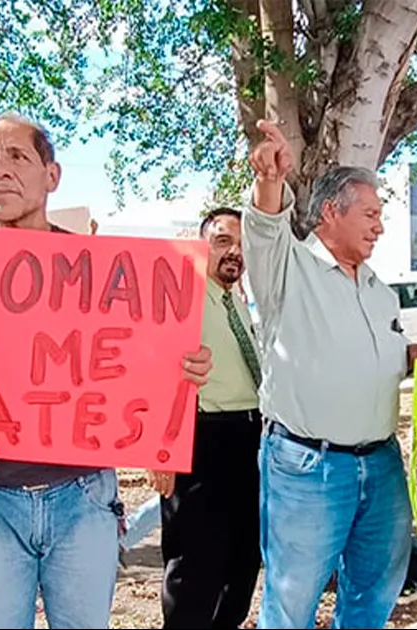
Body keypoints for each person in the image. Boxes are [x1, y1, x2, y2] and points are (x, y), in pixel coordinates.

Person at [0, 112, 213, 629]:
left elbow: (144, 367)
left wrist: (184, 373)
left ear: (53, 175)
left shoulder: (100, 270)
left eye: (17, 156)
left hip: (84, 498)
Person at [243, 120, 417, 629]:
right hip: (308, 467)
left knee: (375, 589)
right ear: (331, 211)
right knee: (292, 601)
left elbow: (374, 356)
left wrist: (415, 351)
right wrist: (270, 179)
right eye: (371, 214)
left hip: (381, 465)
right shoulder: (287, 269)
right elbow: (265, 225)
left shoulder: (380, 290)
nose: (380, 227)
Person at [148, 206, 263, 629]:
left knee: (244, 559)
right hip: (200, 440)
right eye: (222, 241)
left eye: (240, 243)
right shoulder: (180, 299)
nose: (233, 251)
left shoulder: (239, 301)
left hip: (249, 439)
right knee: (196, 564)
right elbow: (152, 370)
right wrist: (159, 449)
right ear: (201, 247)